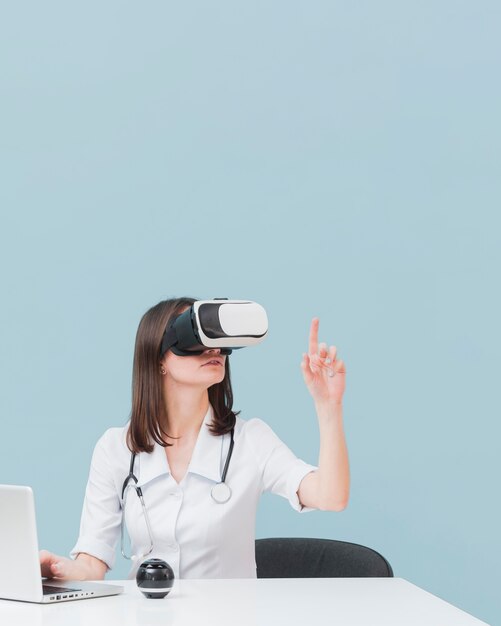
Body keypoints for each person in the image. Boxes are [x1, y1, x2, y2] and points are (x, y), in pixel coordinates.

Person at [40, 297, 349, 580]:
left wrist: (328, 406)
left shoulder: (250, 440)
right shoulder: (116, 448)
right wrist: (55, 571)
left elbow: (331, 496)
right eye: (196, 339)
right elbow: (91, 564)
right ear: (159, 358)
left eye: (217, 341)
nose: (213, 350)